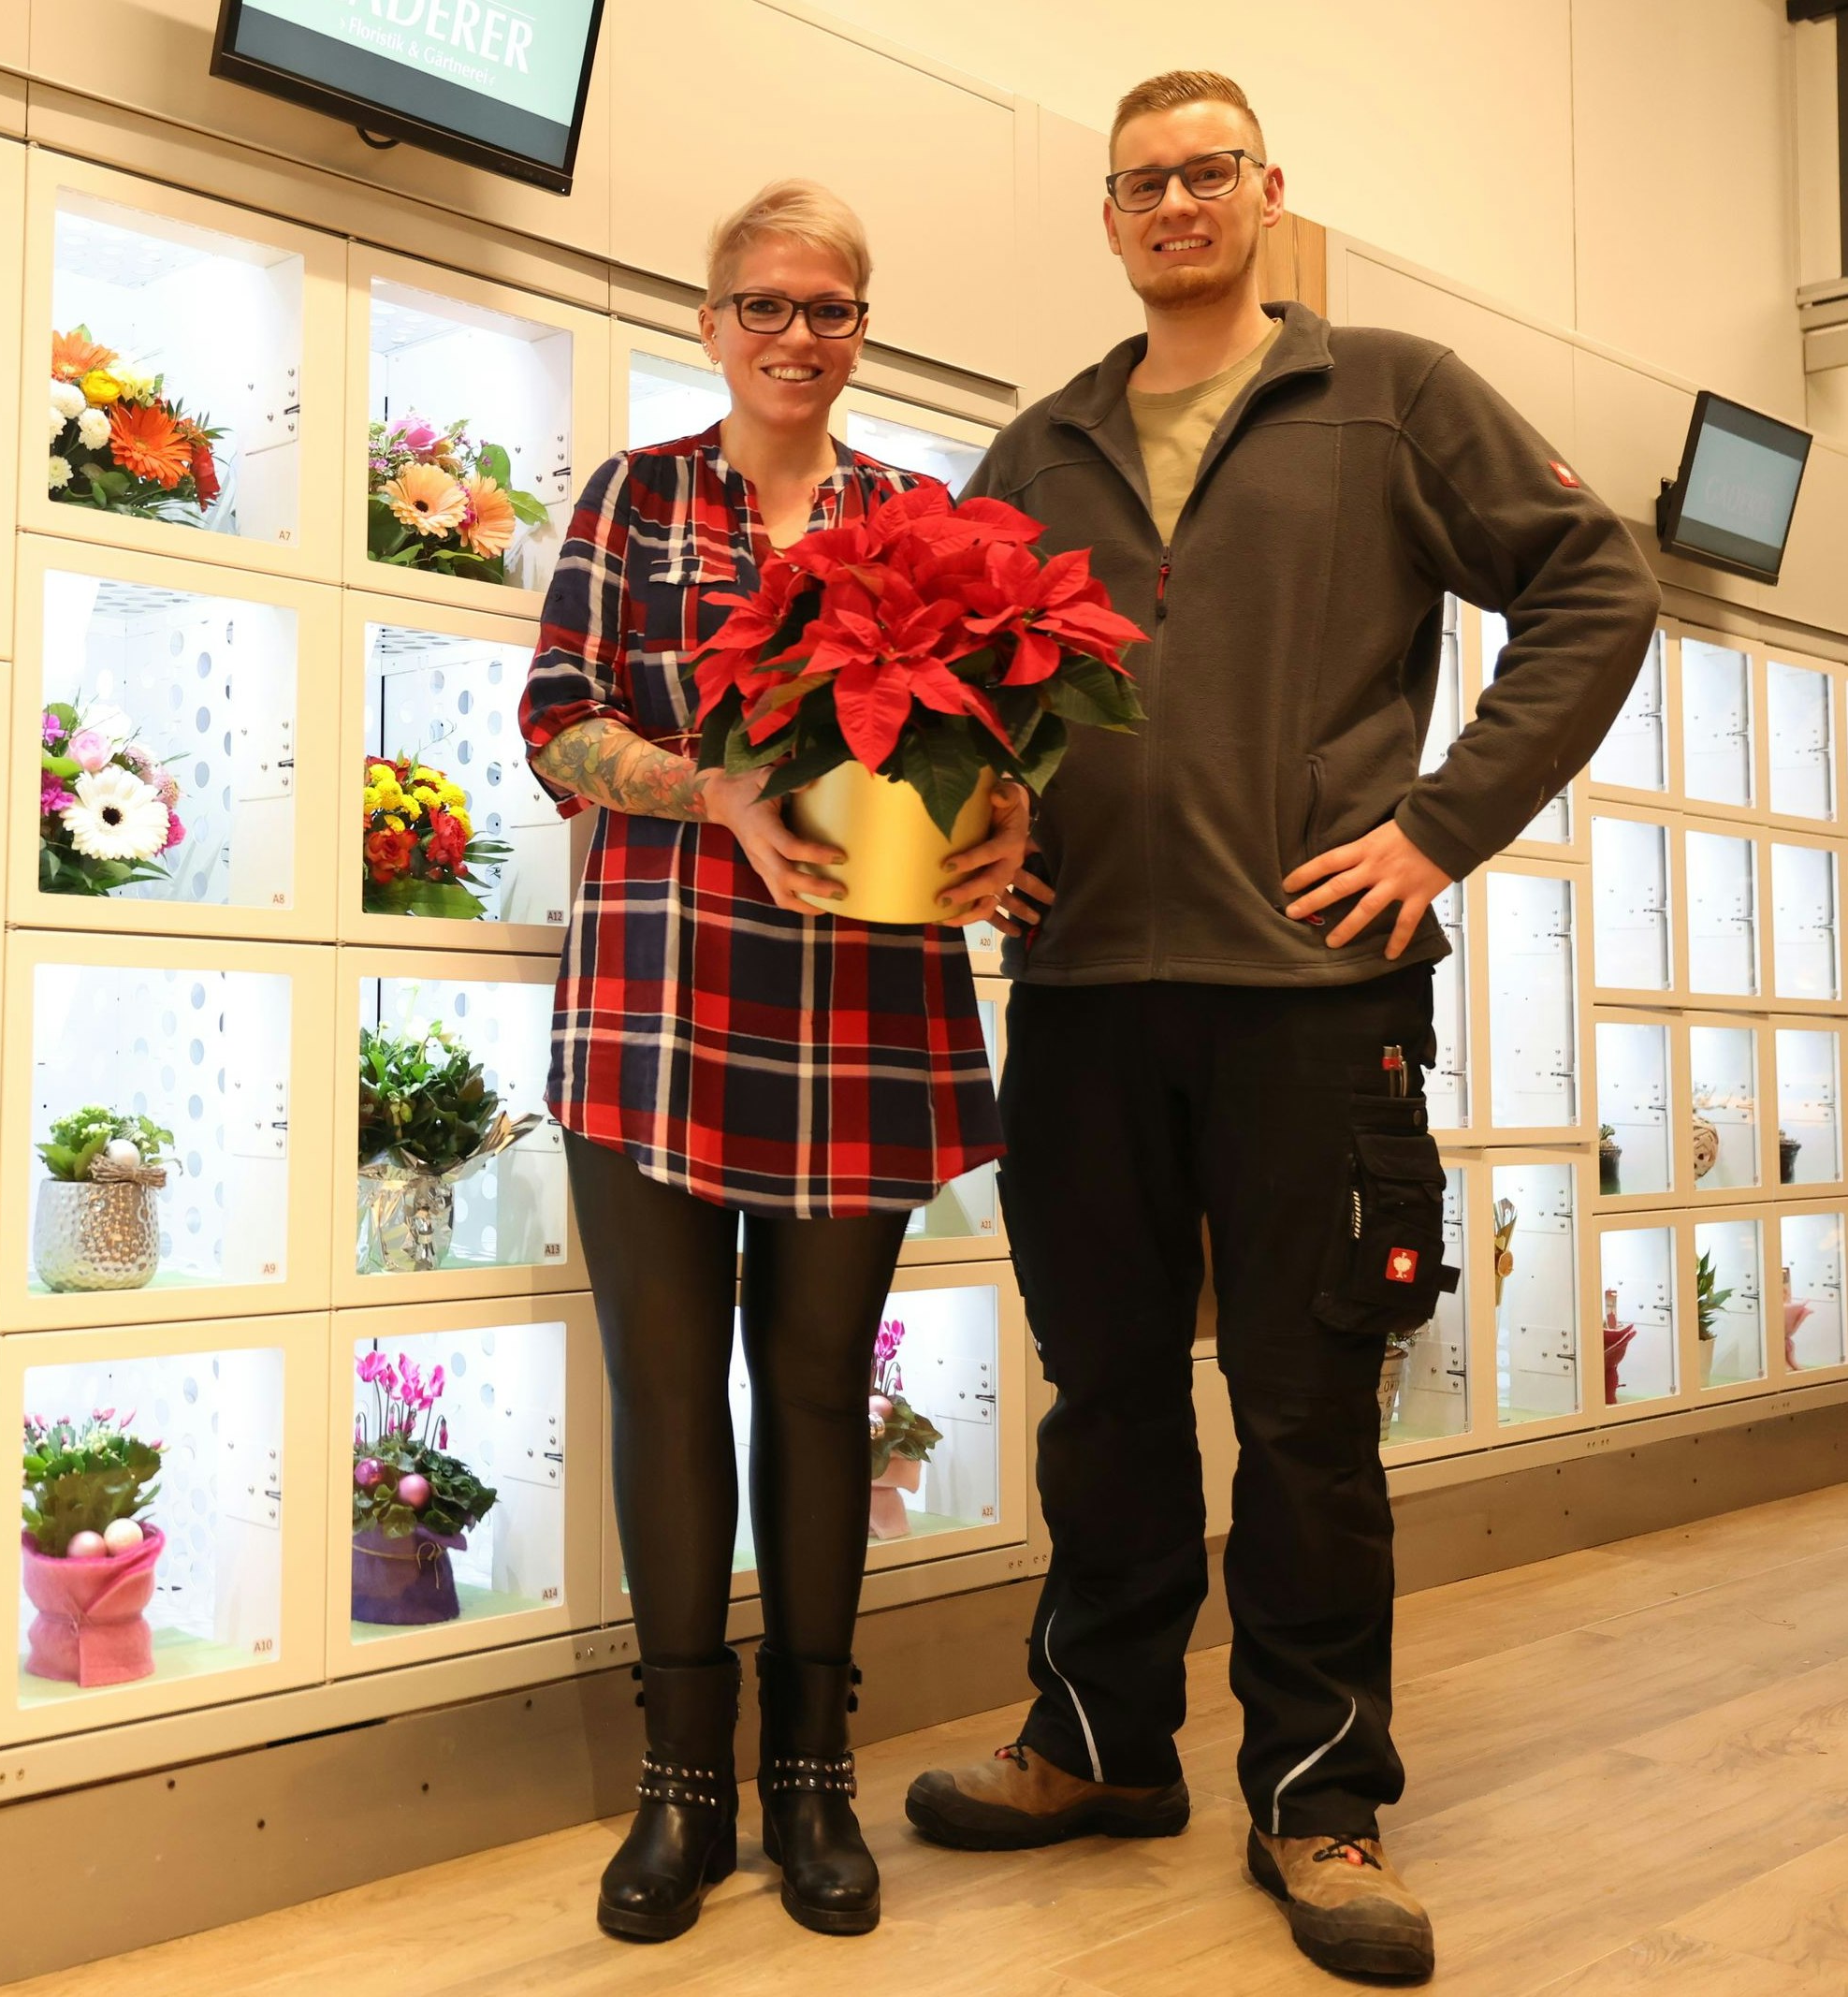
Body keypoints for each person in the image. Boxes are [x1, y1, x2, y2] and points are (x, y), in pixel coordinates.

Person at [902, 71, 1658, 1983]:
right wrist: (981, 836)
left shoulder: (1389, 396)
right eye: (1140, 182)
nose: (1174, 203)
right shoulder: (1036, 448)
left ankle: (1319, 1794)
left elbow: (1594, 582)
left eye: (1206, 172)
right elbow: (951, 690)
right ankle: (1099, 1738)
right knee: (1104, 1393)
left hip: (1316, 997)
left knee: (1306, 1411)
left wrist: (1437, 826)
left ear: (1263, 192)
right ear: (1107, 215)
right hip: (1081, 996)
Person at [519, 178, 1028, 1943]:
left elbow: (997, 732)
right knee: (665, 1397)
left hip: (860, 1005)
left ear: (859, 329)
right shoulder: (634, 497)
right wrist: (713, 791)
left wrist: (1008, 815)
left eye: (829, 308)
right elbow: (558, 721)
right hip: (655, 1003)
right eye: (764, 304)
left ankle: (812, 1776)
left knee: (814, 1395)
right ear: (711, 318)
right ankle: (681, 1787)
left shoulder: (917, 520)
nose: (795, 335)